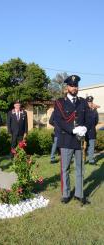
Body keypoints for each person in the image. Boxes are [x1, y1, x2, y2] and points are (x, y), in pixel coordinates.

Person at [54, 75, 89, 205]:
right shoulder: (60, 102)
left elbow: (89, 118)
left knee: (80, 168)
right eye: (72, 86)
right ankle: (66, 194)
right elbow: (58, 120)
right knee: (65, 169)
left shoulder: (83, 102)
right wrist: (72, 129)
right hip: (66, 139)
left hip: (79, 141)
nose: (75, 88)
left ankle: (79, 194)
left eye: (76, 85)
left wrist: (85, 127)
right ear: (67, 87)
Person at [85, 96, 99, 165]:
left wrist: (92, 127)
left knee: (91, 147)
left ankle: (91, 160)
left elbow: (96, 121)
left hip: (92, 131)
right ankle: (83, 159)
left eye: (91, 102)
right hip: (85, 132)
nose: (90, 103)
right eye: (89, 102)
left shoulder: (95, 111)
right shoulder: (84, 110)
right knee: (83, 147)